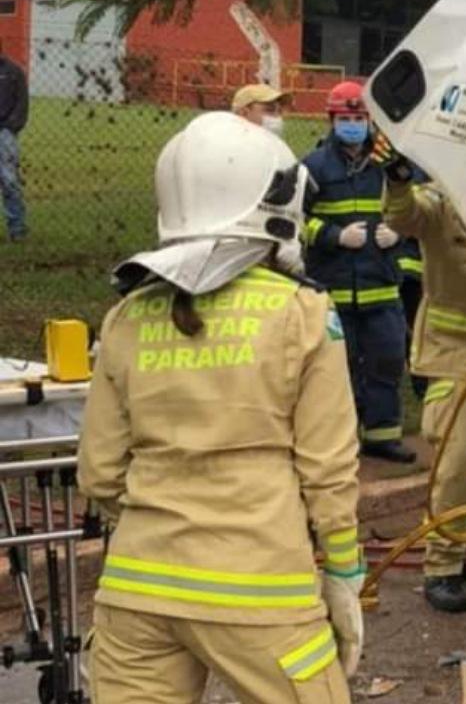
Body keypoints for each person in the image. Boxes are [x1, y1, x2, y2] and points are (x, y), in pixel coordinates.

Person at [79, 111, 364, 702]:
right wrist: (342, 573)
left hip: (137, 587)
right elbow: (328, 470)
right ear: (276, 202)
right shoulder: (304, 315)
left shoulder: (127, 316)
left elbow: (99, 473)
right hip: (261, 591)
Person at [375, 138, 466, 615]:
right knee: (458, 463)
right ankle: (441, 567)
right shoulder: (441, 204)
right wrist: (397, 180)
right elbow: (404, 215)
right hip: (452, 352)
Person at [302, 81, 414, 463]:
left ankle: (383, 437)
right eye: (346, 118)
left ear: (371, 121)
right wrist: (332, 236)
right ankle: (342, 442)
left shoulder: (390, 166)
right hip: (333, 288)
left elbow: (415, 211)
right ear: (332, 120)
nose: (353, 124)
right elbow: (292, 222)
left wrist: (398, 234)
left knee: (387, 361)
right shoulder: (313, 167)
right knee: (337, 371)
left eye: (359, 118)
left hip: (381, 286)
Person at [0, 42, 27, 241]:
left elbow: (22, 102)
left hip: (5, 133)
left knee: (9, 181)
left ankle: (17, 228)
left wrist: (11, 127)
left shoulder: (14, 72)